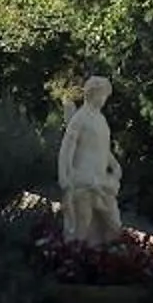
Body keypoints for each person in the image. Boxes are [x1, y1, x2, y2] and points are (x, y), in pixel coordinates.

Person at [57, 75, 123, 244]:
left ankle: (103, 259)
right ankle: (76, 258)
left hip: (101, 180)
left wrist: (114, 165)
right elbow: (67, 148)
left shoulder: (101, 119)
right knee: (83, 225)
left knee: (113, 224)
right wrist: (64, 177)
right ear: (93, 94)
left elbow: (103, 148)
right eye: (103, 95)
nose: (104, 99)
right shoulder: (80, 118)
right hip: (83, 179)